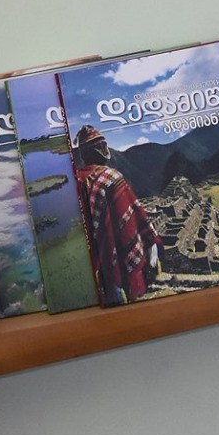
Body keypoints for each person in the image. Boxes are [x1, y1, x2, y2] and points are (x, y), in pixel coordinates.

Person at [72, 125, 161, 307]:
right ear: (97, 151)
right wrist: (150, 243)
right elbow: (133, 217)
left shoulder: (75, 180)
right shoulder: (111, 177)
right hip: (114, 262)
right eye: (102, 147)